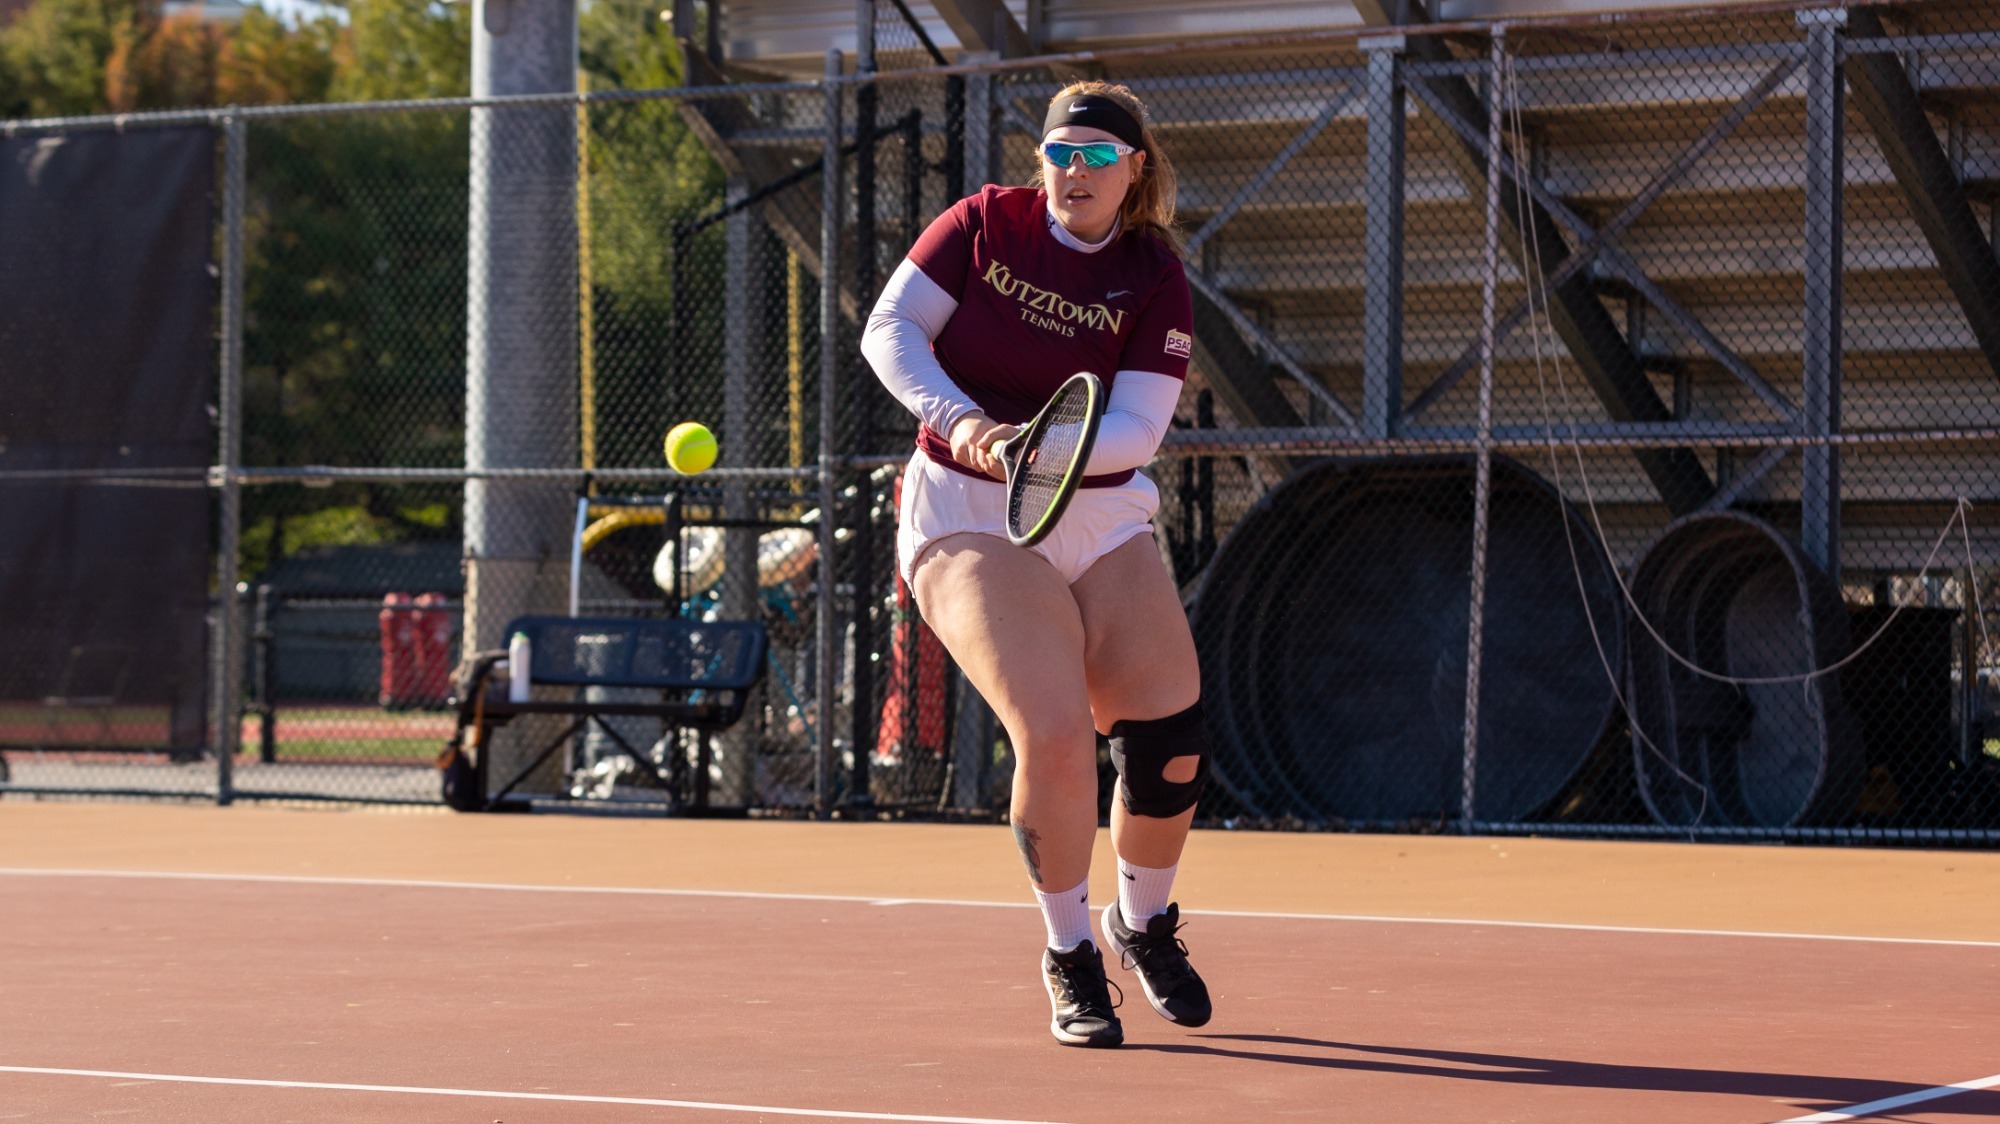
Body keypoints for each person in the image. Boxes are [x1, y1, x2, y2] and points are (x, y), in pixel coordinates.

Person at [860, 80, 1212, 1048]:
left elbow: (1138, 425)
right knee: (1055, 732)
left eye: (1097, 155)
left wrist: (1046, 454)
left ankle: (1143, 924)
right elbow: (888, 332)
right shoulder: (980, 223)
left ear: (1135, 170)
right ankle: (1068, 953)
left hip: (1097, 510)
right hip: (965, 506)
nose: (1074, 171)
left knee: (1169, 734)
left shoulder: (1152, 273)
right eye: (1060, 153)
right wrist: (966, 425)